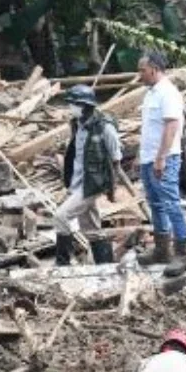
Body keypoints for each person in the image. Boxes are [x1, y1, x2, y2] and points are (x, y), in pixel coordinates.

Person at [136, 51, 186, 277]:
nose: (139, 75)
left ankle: (182, 254)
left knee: (171, 203)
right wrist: (144, 157)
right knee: (156, 203)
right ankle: (162, 249)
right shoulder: (151, 94)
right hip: (149, 158)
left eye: (142, 70)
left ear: (154, 69)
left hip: (164, 158)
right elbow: (151, 129)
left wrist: (161, 157)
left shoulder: (168, 93)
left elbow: (171, 127)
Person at [55, 84, 121, 266]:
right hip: (76, 183)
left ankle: (62, 264)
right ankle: (105, 265)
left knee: (60, 216)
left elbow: (116, 159)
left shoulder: (105, 128)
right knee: (91, 228)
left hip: (91, 185)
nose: (70, 108)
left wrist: (111, 188)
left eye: (73, 104)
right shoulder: (77, 125)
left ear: (84, 105)